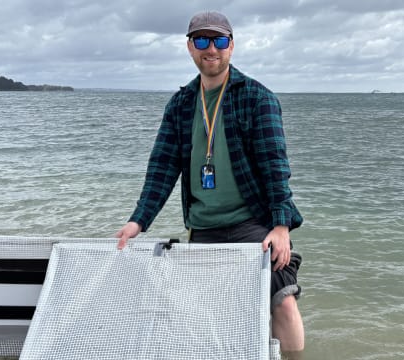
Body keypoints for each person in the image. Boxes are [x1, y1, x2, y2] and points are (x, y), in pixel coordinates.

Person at [116, 11, 304, 359]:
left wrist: (281, 225)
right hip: (204, 227)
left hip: (254, 224)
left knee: (283, 302)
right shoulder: (181, 104)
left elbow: (275, 165)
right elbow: (161, 168)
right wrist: (138, 220)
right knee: (208, 318)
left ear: (231, 45)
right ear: (190, 48)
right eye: (201, 40)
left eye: (218, 40)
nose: (210, 49)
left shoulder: (257, 98)